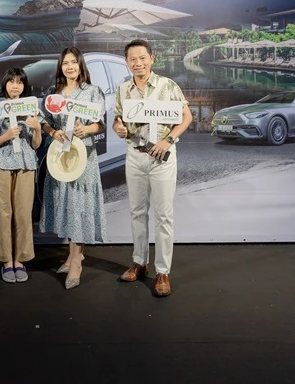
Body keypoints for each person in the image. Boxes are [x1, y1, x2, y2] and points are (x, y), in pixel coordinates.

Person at [113, 39, 192, 297]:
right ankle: (139, 262)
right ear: (127, 62)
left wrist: (168, 140)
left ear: (152, 59)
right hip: (135, 156)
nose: (138, 63)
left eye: (142, 58)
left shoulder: (168, 86)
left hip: (162, 159)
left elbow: (186, 117)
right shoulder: (123, 89)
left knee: (164, 215)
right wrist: (118, 127)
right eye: (132, 59)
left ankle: (162, 271)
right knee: (137, 212)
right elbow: (118, 120)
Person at [40, 47, 108, 290]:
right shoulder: (53, 93)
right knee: (67, 205)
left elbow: (100, 123)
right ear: (61, 67)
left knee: (80, 206)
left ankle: (77, 263)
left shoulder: (92, 91)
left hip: (83, 156)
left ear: (80, 65)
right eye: (65, 63)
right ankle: (72, 256)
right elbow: (44, 121)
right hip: (60, 157)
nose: (70, 67)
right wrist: (53, 132)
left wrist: (86, 129)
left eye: (73, 62)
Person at [0, 67, 42, 283]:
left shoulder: (31, 108)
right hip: (1, 163)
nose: (15, 86)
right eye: (11, 82)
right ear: (5, 85)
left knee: (23, 213)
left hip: (26, 164)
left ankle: (21, 260)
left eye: (19, 82)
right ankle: (6, 261)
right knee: (3, 213)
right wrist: (6, 136)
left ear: (24, 86)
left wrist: (37, 128)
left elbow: (36, 145)